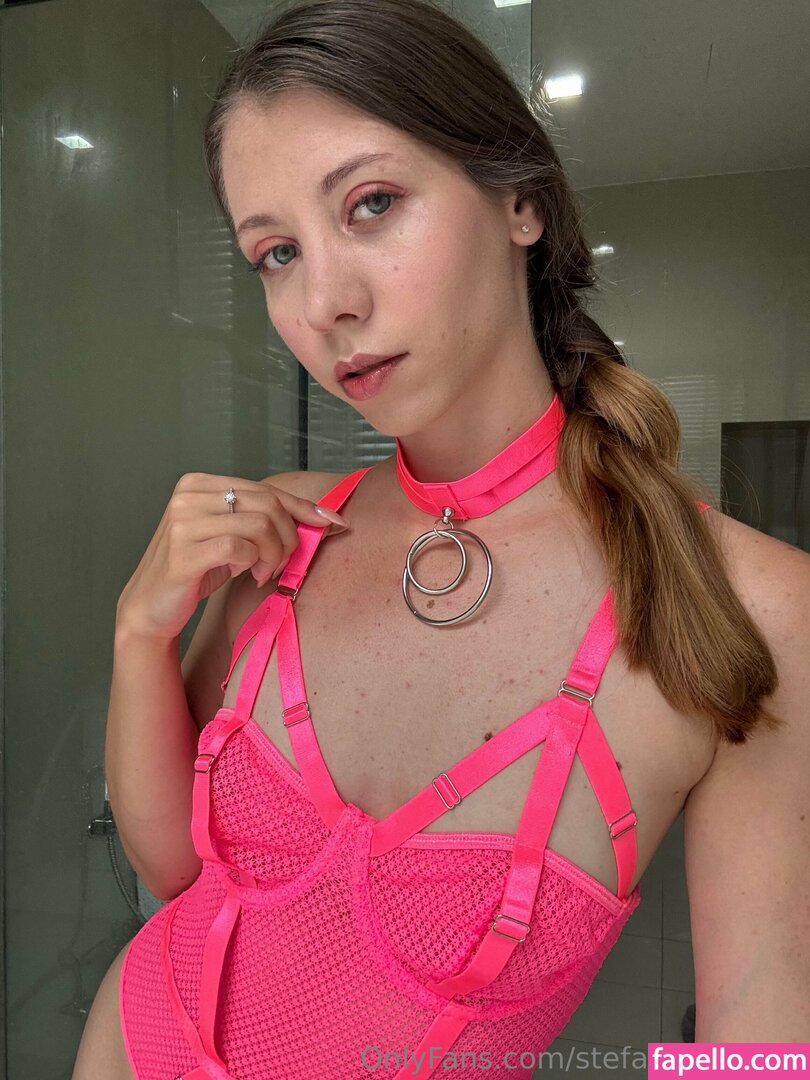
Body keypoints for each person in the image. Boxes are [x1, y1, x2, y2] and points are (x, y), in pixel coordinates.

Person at [72, 1, 810, 1076]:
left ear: (521, 202)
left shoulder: (754, 606)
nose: (325, 302)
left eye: (372, 204)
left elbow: (762, 1021)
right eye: (276, 253)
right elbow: (176, 871)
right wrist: (138, 634)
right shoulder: (285, 530)